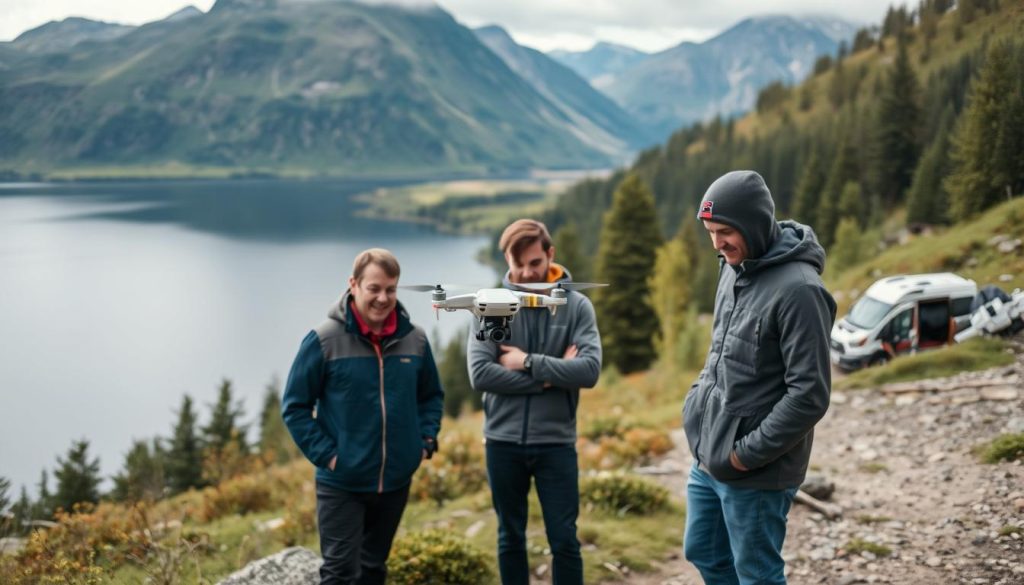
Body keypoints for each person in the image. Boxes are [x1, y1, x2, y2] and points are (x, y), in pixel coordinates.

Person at [682, 171, 837, 584]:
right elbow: (718, 352)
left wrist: (743, 455)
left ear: (753, 223)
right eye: (710, 232)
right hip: (708, 452)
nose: (717, 244)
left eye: (725, 232)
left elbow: (810, 395)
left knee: (757, 575)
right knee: (704, 553)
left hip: (756, 469)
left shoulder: (801, 291)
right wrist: (696, 405)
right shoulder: (732, 267)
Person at [282, 248, 443, 585]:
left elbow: (431, 396)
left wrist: (424, 442)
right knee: (340, 573)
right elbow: (295, 407)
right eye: (374, 288)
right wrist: (329, 456)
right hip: (343, 483)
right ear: (353, 285)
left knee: (373, 569)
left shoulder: (415, 340)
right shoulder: (324, 340)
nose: (383, 298)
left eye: (391, 289)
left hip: (396, 480)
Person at [468, 219, 601, 585]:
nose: (527, 273)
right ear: (507, 263)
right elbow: (480, 374)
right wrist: (550, 379)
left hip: (556, 442)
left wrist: (527, 362)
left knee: (564, 540)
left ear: (550, 256)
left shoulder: (576, 307)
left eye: (535, 263)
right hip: (502, 442)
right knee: (509, 537)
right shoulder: (492, 306)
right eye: (518, 265)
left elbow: (589, 370)